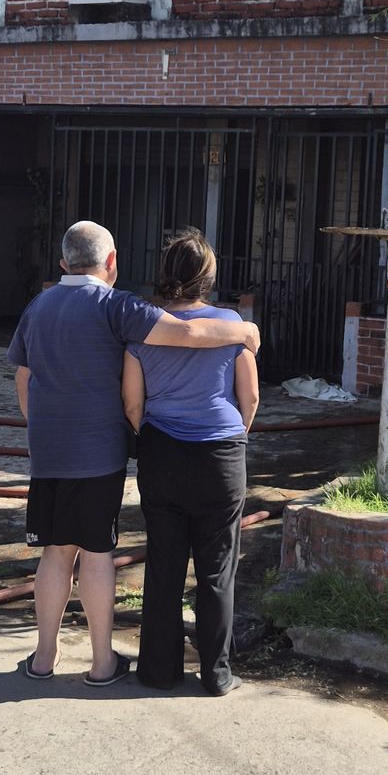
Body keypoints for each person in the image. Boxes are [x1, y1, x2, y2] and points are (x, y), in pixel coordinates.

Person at [8, 219, 259, 688]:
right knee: (101, 554)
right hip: (106, 455)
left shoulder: (37, 306)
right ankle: (110, 665)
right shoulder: (119, 307)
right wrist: (244, 332)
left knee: (55, 554)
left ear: (64, 262)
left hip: (52, 454)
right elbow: (187, 337)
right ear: (112, 261)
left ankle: (46, 659)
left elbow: (25, 378)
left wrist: (40, 429)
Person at [122, 229, 259, 697]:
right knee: (217, 569)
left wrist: (154, 437)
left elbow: (132, 404)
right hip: (220, 457)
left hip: (161, 452)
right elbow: (252, 397)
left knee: (164, 565)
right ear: (208, 277)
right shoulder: (231, 325)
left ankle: (158, 671)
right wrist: (233, 438)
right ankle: (216, 675)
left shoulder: (145, 326)